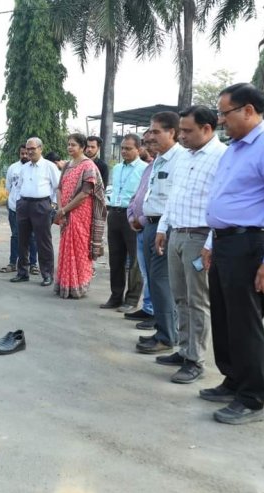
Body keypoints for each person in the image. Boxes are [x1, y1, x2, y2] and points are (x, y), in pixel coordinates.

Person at [200, 83, 264, 425]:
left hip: (250, 245)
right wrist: (212, 243)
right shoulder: (235, 149)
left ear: (248, 110)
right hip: (225, 242)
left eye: (225, 113)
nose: (221, 120)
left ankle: (252, 397)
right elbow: (224, 201)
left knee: (245, 322)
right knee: (225, 318)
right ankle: (233, 378)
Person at [153, 105, 227, 384]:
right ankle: (183, 349)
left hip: (200, 236)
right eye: (180, 130)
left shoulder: (222, 157)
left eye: (187, 130)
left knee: (197, 300)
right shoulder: (184, 158)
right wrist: (163, 227)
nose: (181, 136)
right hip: (176, 233)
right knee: (179, 296)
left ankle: (195, 360)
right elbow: (174, 195)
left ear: (207, 129)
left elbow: (220, 203)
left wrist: (211, 241)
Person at [136, 112, 183, 354]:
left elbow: (174, 200)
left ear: (172, 133)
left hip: (167, 227)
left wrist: (162, 228)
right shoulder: (159, 160)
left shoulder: (180, 160)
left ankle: (168, 336)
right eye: (150, 131)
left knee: (162, 282)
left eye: (156, 132)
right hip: (151, 225)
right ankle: (163, 330)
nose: (150, 137)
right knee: (154, 281)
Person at [53, 133, 107, 298]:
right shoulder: (68, 165)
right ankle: (64, 285)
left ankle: (77, 286)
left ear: (82, 147)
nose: (70, 147)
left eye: (73, 145)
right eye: (68, 144)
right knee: (66, 247)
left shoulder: (88, 166)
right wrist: (61, 209)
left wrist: (65, 210)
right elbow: (60, 188)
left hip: (81, 213)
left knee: (79, 249)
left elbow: (85, 193)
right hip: (67, 212)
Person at [101, 134, 146, 312]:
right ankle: (115, 296)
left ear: (139, 149)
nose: (124, 151)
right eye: (123, 148)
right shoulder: (117, 168)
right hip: (115, 214)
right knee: (115, 258)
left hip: (133, 216)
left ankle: (132, 299)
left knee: (134, 260)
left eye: (129, 148)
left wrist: (138, 216)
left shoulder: (144, 168)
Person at [10, 137, 60, 287]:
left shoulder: (49, 166)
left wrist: (54, 205)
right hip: (24, 205)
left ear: (40, 149)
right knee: (22, 240)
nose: (30, 152)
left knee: (43, 241)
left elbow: (58, 187)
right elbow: (18, 187)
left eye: (33, 149)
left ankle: (47, 274)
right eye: (28, 149)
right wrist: (19, 202)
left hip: (41, 205)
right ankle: (22, 272)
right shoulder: (24, 168)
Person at [125, 131, 156, 329]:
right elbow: (137, 196)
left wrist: (141, 220)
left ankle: (157, 314)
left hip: (152, 225)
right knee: (147, 271)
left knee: (156, 274)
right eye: (146, 142)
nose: (148, 145)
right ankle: (148, 307)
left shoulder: (170, 164)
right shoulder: (151, 167)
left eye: (151, 141)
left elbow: (163, 201)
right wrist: (131, 216)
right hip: (138, 225)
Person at [1, 145, 38, 275]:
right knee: (16, 236)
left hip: (32, 209)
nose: (24, 156)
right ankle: (13, 263)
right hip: (14, 207)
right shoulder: (13, 168)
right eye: (22, 153)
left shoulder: (36, 168)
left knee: (32, 237)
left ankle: (33, 264)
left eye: (26, 153)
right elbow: (9, 187)